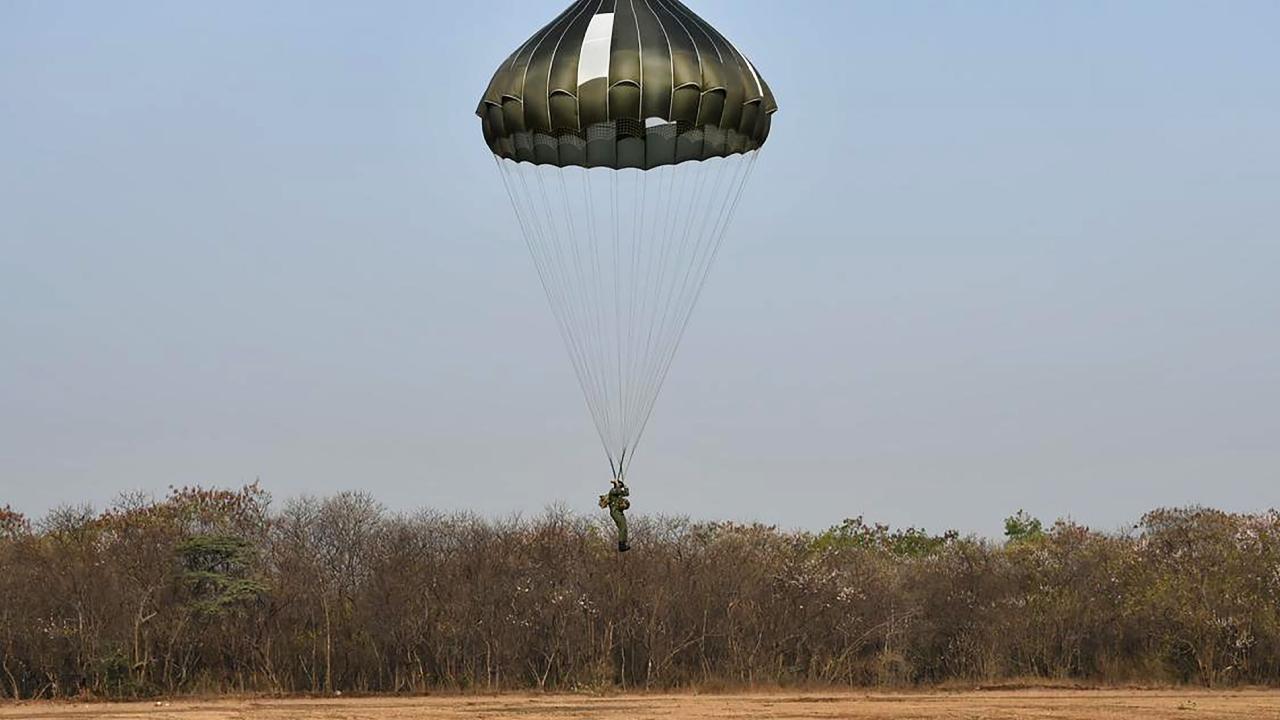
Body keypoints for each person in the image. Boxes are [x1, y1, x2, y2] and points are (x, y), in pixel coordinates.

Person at [599, 478, 631, 552]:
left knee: (624, 527)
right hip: (615, 512)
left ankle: (624, 543)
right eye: (619, 485)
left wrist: (624, 485)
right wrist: (617, 483)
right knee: (622, 527)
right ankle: (621, 545)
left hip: (619, 512)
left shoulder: (618, 493)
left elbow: (626, 493)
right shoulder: (612, 491)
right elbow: (618, 490)